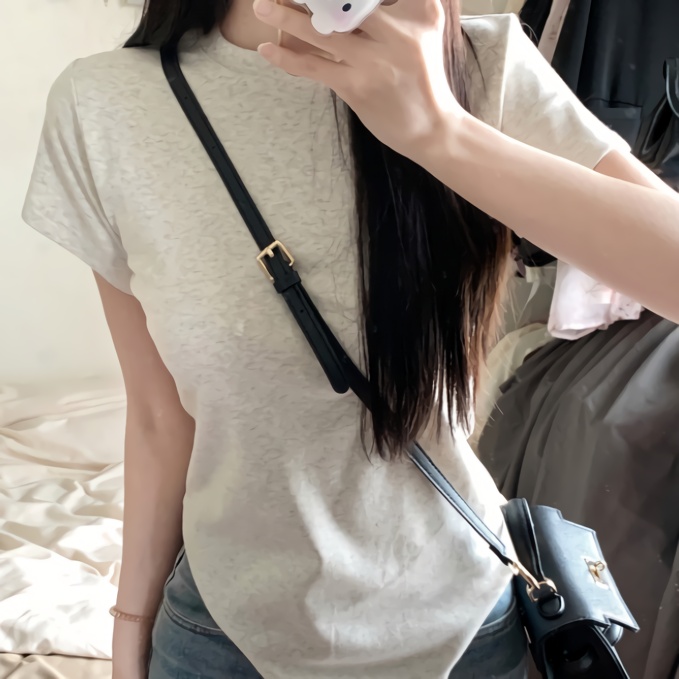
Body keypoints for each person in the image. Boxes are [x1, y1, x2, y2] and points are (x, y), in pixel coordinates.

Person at [21, 0, 679, 677]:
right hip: (219, 635)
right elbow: (161, 420)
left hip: (462, 631)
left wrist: (439, 131)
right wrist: (130, 627)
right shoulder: (105, 104)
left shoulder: (478, 67)